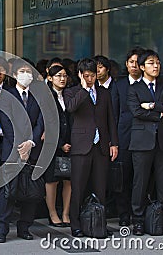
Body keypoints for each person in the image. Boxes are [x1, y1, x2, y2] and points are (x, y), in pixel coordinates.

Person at [63, 58, 118, 238]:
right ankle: (76, 225)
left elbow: (111, 120)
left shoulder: (104, 93)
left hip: (101, 145)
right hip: (81, 145)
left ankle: (99, 223)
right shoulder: (72, 92)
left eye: (92, 75)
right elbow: (70, 108)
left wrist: (114, 143)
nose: (90, 79)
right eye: (86, 76)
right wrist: (84, 89)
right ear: (80, 75)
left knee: (101, 187)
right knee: (78, 187)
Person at [127, 49, 163, 236]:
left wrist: (153, 106)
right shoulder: (134, 88)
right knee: (139, 183)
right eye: (150, 62)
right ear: (142, 67)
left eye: (157, 62)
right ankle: (138, 221)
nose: (156, 65)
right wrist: (160, 112)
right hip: (142, 142)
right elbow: (136, 112)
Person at [0, 58, 44, 243]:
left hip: (31, 150)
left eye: (28, 71)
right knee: (7, 192)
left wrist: (30, 142)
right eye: (22, 71)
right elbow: (6, 122)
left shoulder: (37, 96)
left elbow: (41, 121)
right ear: (15, 75)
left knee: (30, 192)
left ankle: (25, 228)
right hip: (12, 150)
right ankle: (1, 230)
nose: (26, 74)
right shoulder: (6, 95)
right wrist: (19, 145)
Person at [111, 47, 144, 227]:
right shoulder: (119, 85)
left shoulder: (148, 84)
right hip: (123, 137)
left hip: (144, 138)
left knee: (140, 178)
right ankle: (123, 214)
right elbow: (114, 114)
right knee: (122, 177)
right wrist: (113, 141)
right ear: (126, 64)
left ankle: (138, 213)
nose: (134, 66)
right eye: (131, 62)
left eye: (138, 63)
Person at [43, 65, 71, 228]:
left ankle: (66, 213)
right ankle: (53, 213)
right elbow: (47, 123)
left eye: (65, 75)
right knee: (52, 180)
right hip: (53, 144)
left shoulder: (69, 95)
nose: (62, 78)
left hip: (71, 142)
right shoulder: (46, 96)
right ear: (50, 78)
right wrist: (60, 143)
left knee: (69, 179)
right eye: (58, 75)